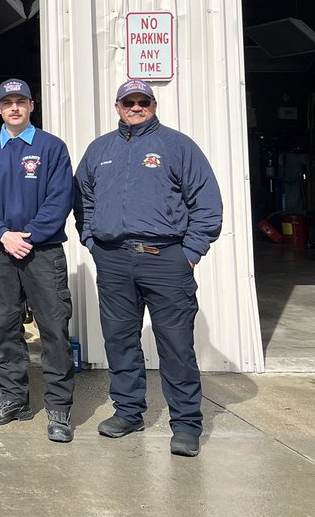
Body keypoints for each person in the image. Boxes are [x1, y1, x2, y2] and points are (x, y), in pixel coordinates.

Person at [75, 80, 223, 458]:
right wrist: (93, 243)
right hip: (114, 260)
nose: (136, 107)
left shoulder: (177, 145)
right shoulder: (99, 149)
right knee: (120, 340)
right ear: (118, 105)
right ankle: (128, 412)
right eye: (129, 101)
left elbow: (206, 204)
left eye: (143, 101)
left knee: (175, 345)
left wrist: (189, 252)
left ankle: (187, 424)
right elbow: (83, 200)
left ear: (153, 105)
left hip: (166, 259)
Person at [0, 78, 75, 443]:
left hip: (42, 252)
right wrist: (2, 235)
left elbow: (60, 200)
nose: (14, 108)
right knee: (1, 327)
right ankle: (13, 398)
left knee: (54, 328)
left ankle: (59, 406)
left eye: (21, 101)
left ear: (32, 106)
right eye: (7, 103)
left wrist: (26, 236)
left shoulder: (52, 148)